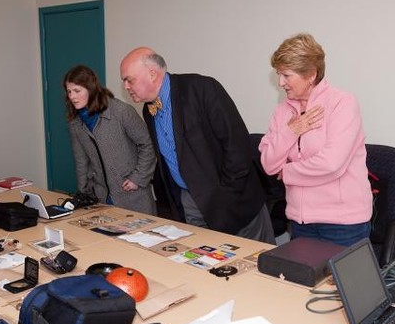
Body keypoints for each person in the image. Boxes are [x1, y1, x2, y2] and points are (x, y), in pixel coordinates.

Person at [119, 47, 275, 244]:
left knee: (254, 267)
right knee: (204, 269)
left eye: (129, 79)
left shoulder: (201, 88)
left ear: (152, 74)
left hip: (235, 205)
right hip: (191, 205)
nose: (125, 86)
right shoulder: (147, 110)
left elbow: (237, 145)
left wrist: (225, 195)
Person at [259, 33, 372, 246]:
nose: (281, 82)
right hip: (300, 221)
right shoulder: (282, 112)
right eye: (278, 74)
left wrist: (288, 172)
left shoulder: (343, 104)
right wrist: (292, 131)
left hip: (343, 223)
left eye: (287, 75)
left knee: (340, 281)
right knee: (300, 280)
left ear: (311, 74)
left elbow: (331, 164)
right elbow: (268, 163)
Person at [64, 65, 157, 215]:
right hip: (102, 199)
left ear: (91, 89)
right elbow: (81, 161)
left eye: (77, 91)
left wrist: (138, 178)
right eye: (69, 92)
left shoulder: (121, 111)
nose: (72, 97)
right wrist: (83, 194)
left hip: (133, 195)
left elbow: (148, 145)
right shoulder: (75, 123)